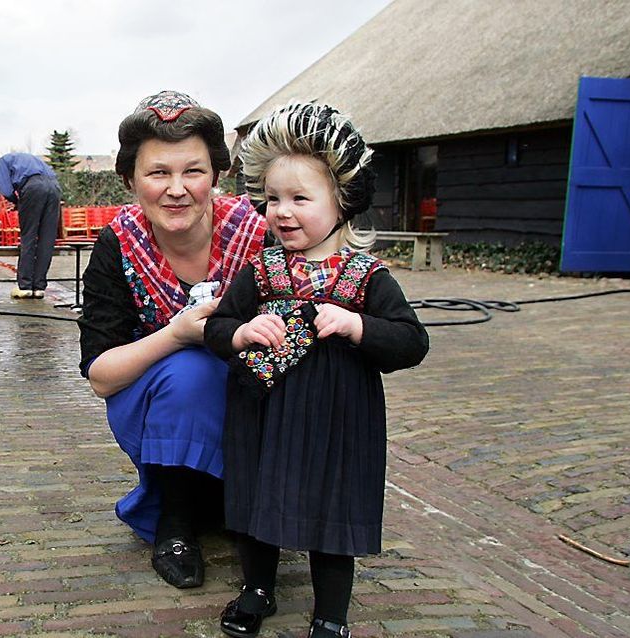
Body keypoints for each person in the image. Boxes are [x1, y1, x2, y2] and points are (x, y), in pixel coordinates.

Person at [204, 103, 430, 638]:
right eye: (273, 199)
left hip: (338, 421)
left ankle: (331, 613)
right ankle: (256, 590)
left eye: (300, 199)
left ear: (342, 201)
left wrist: (357, 327)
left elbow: (411, 341)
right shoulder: (261, 271)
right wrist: (240, 333)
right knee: (257, 502)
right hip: (262, 411)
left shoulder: (365, 277)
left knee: (333, 512)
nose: (282, 211)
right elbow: (219, 327)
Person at [77, 90, 267, 589]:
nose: (177, 189)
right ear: (131, 180)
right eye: (158, 173)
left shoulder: (256, 235)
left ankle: (248, 496)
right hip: (157, 398)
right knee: (190, 370)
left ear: (217, 176)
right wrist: (178, 333)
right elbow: (100, 376)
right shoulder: (118, 244)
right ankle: (175, 521)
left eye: (194, 171)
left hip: (248, 393)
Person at [0, 153, 62, 299]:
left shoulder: (0, 163)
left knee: (29, 237)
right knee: (47, 239)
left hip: (33, 188)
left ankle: (25, 286)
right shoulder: (24, 159)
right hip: (55, 188)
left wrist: (18, 202)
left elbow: (6, 190)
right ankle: (39, 287)